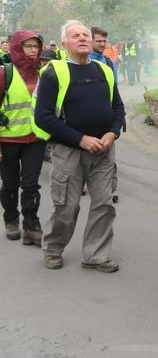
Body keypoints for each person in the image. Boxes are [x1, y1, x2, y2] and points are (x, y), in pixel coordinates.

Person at [33, 20, 125, 272]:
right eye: (76, 36)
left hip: (104, 150)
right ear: (64, 44)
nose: (83, 38)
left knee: (104, 203)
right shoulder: (54, 73)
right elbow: (43, 117)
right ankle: (52, 249)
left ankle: (95, 255)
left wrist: (112, 133)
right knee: (67, 205)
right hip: (69, 150)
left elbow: (118, 107)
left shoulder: (103, 70)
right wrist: (80, 139)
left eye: (86, 34)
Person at [0, 31, 47, 245]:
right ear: (17, 48)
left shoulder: (43, 72)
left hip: (35, 140)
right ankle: (11, 220)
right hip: (8, 141)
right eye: (27, 46)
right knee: (10, 184)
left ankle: (31, 224)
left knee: (31, 185)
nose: (32, 50)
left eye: (35, 46)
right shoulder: (4, 73)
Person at [90, 27, 120, 203]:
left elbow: (115, 91)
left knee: (108, 154)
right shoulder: (81, 61)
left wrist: (118, 116)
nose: (102, 44)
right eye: (98, 41)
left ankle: (109, 189)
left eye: (104, 41)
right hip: (84, 117)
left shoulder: (109, 63)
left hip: (106, 116)